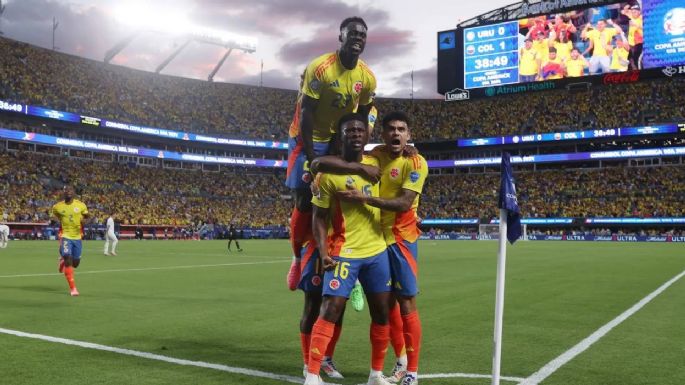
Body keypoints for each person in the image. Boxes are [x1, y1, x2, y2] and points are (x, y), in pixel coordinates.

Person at [317, 111, 428, 385]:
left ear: (409, 134)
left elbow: (403, 204)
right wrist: (356, 169)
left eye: (402, 129)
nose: (396, 134)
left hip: (401, 239)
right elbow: (320, 162)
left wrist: (364, 199)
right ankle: (400, 359)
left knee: (406, 302)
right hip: (375, 239)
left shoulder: (415, 162)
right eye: (391, 129)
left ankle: (411, 372)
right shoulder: (375, 154)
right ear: (382, 133)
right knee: (385, 305)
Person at [285, 15, 377, 291]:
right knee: (303, 200)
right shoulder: (320, 68)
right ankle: (296, 256)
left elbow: (362, 114)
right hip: (307, 138)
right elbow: (307, 114)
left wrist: (345, 144)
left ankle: (350, 256)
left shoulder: (367, 77)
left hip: (338, 138)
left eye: (362, 34)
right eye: (352, 33)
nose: (357, 38)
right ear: (341, 36)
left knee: (342, 198)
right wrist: (313, 157)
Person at [305, 113, 393, 385]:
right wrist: (322, 251)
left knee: (381, 312)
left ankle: (376, 374)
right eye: (349, 130)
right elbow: (318, 217)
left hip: (377, 251)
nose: (355, 134)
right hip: (344, 251)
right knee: (330, 308)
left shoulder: (377, 163)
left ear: (367, 135)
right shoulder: (327, 175)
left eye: (360, 130)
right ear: (340, 136)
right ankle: (312, 375)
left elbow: (398, 152)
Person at [52, 186, 89, 296]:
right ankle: (73, 289)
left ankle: (63, 260)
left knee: (75, 263)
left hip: (77, 237)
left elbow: (87, 216)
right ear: (63, 193)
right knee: (68, 257)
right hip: (65, 235)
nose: (68, 191)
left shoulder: (81, 205)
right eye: (66, 190)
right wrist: (54, 220)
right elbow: (54, 216)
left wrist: (85, 221)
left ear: (74, 192)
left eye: (70, 190)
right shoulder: (58, 206)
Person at [621, 4, 643, 70]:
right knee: (628, 58)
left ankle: (639, 70)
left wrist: (635, 24)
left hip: (640, 41)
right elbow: (623, 12)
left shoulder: (642, 17)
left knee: (636, 58)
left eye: (635, 12)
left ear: (639, 12)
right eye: (632, 12)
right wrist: (626, 7)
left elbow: (645, 27)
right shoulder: (631, 16)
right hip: (631, 42)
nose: (633, 13)